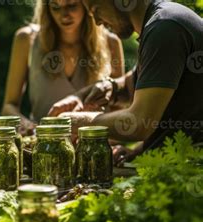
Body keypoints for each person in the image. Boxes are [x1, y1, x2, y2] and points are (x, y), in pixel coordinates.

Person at [49, 0, 203, 157]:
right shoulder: (162, 20)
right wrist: (99, 90)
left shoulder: (164, 28)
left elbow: (139, 122)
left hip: (188, 172)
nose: (97, 22)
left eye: (96, 10)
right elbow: (135, 85)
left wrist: (69, 121)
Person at [1, 0, 125, 135]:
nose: (64, 15)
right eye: (55, 7)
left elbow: (119, 110)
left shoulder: (111, 43)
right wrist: (28, 127)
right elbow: (9, 106)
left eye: (72, 6)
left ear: (87, 5)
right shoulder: (26, 39)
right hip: (43, 145)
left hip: (93, 146)